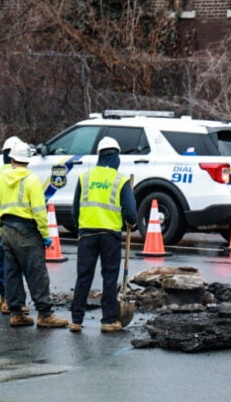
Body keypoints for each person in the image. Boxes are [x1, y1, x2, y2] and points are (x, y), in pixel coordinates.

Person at [0, 140, 68, 328]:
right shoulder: (32, 180)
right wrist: (45, 234)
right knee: (36, 272)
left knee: (12, 272)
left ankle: (16, 313)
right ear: (28, 160)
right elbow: (39, 211)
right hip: (27, 231)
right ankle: (45, 313)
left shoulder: (0, 178)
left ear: (12, 158)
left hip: (6, 229)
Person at [70, 136, 137, 333]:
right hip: (110, 234)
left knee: (84, 276)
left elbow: (75, 209)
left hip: (87, 233)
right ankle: (108, 320)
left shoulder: (85, 177)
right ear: (116, 157)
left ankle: (76, 320)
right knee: (109, 277)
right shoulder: (121, 179)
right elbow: (131, 211)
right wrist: (130, 223)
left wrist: (80, 226)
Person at [0, 135, 22, 314]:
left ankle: (4, 299)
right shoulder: (24, 173)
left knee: (2, 264)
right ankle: (17, 300)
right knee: (18, 265)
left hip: (1, 227)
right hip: (21, 227)